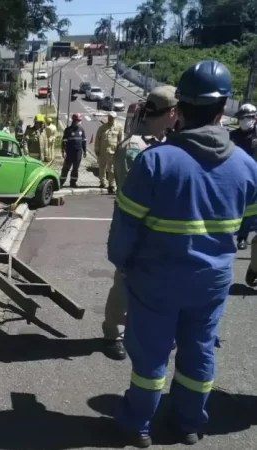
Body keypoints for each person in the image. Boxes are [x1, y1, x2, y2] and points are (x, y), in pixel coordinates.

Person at [108, 60, 257, 448]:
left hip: (157, 279)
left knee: (151, 355)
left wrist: (122, 263)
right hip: (212, 281)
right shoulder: (246, 166)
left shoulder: (156, 161)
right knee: (199, 350)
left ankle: (138, 424)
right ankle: (188, 423)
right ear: (223, 107)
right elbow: (248, 225)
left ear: (182, 108)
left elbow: (126, 226)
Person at [101, 86, 178, 361]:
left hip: (161, 232)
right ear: (170, 113)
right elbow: (133, 195)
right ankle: (114, 334)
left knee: (158, 285)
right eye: (176, 111)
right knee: (125, 283)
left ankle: (146, 331)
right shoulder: (135, 147)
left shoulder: (168, 142)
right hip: (135, 230)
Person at [230, 103, 257, 250]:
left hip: (255, 177)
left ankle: (242, 238)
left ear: (254, 118)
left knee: (250, 211)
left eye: (246, 118)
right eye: (241, 118)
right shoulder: (232, 136)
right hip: (236, 177)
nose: (243, 121)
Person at [94, 111, 124, 194]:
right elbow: (97, 139)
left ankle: (111, 185)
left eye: (112, 117)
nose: (110, 118)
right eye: (109, 117)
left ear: (115, 118)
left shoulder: (119, 127)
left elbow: (121, 140)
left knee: (111, 170)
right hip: (102, 151)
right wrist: (96, 149)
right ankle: (102, 182)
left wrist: (120, 151)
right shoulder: (102, 127)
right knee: (101, 167)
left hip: (112, 152)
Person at [60, 113, 87, 187]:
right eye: (77, 120)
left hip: (78, 152)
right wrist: (63, 151)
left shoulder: (81, 130)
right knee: (66, 167)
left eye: (79, 120)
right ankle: (61, 182)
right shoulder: (68, 130)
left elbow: (84, 141)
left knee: (75, 168)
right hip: (69, 152)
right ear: (74, 121)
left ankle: (73, 182)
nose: (78, 122)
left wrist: (85, 151)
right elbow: (64, 141)